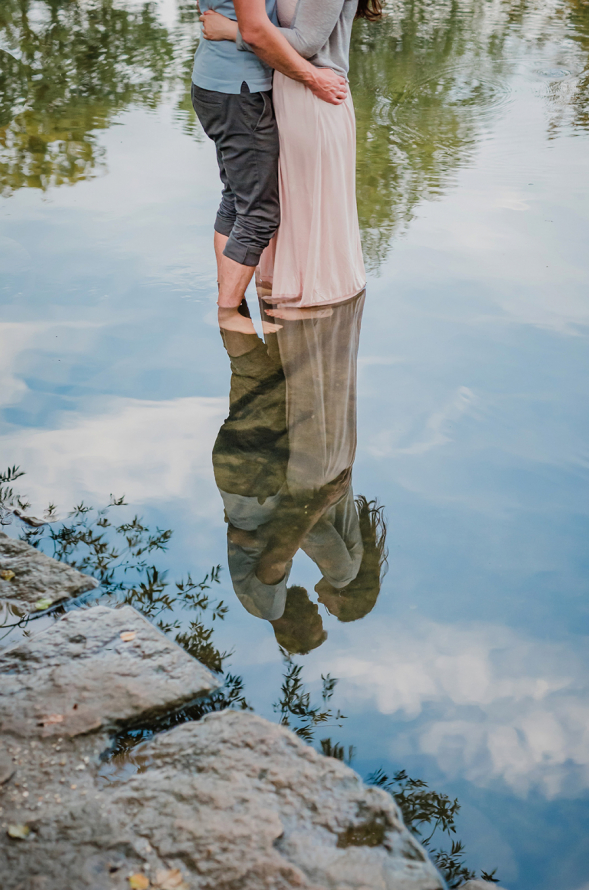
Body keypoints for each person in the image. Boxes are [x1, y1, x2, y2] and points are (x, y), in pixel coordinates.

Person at [212, 291, 388, 653]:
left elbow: (274, 554)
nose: (314, 608)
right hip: (242, 483)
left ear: (291, 629)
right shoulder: (264, 603)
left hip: (253, 482)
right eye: (323, 615)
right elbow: (264, 547)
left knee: (259, 376)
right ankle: (230, 297)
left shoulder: (269, 606)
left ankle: (229, 298)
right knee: (255, 377)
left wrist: (315, 504)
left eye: (313, 621)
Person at [200, 0, 382, 309]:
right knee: (268, 206)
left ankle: (302, 309)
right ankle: (248, 308)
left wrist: (233, 31)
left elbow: (306, 42)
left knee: (306, 211)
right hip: (285, 91)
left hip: (315, 97)